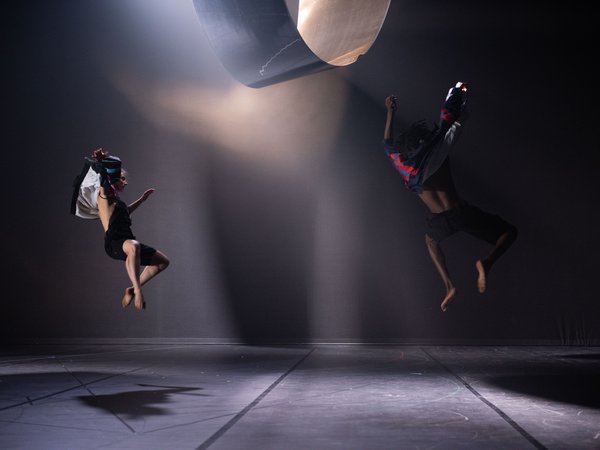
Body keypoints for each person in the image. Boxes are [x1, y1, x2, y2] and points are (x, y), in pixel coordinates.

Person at [383, 82, 517, 312]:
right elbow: (453, 121)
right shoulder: (438, 151)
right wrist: (459, 92)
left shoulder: (404, 168)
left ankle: (449, 285)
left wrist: (390, 112)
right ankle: (487, 262)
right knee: (509, 233)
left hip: (439, 220)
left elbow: (387, 144)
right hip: (460, 212)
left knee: (430, 240)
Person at [93, 148, 170, 311]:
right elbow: (106, 176)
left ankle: (131, 289)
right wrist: (101, 162)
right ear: (113, 180)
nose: (125, 182)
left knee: (163, 262)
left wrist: (141, 200)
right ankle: (137, 290)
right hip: (114, 243)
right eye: (122, 179)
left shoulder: (117, 202)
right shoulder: (104, 195)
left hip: (127, 239)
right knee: (133, 247)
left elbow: (124, 213)